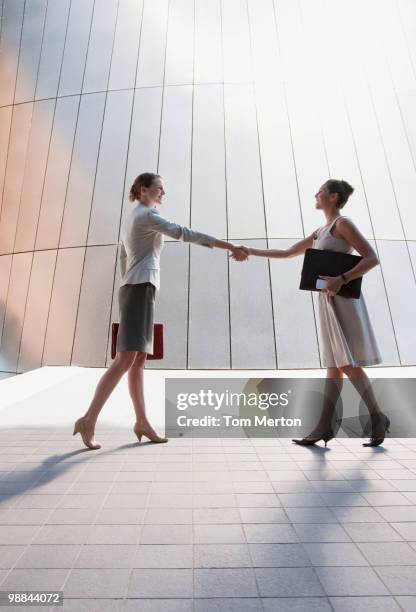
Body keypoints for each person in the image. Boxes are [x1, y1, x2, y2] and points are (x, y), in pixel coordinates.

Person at [73, 172, 248, 449]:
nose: (163, 193)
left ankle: (142, 421)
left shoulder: (135, 215)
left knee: (138, 359)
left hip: (137, 287)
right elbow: (185, 233)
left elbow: (122, 254)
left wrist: (127, 281)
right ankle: (88, 420)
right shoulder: (146, 216)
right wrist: (230, 246)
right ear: (144, 190)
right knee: (124, 359)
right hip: (139, 287)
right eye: (159, 188)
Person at [234, 179, 390, 447]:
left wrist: (342, 278)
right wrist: (251, 251)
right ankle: (326, 426)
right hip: (327, 300)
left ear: (332, 196)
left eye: (319, 191)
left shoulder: (343, 224)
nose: (314, 194)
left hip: (342, 299)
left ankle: (375, 417)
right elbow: (286, 253)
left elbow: (372, 257)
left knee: (346, 364)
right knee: (334, 365)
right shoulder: (320, 231)